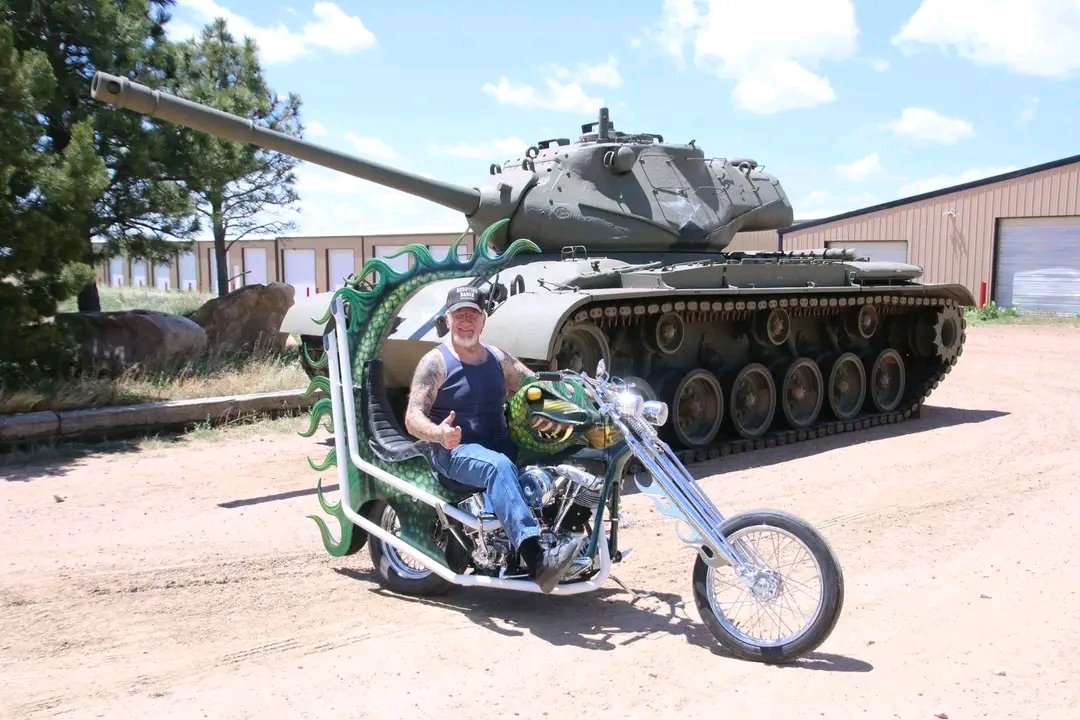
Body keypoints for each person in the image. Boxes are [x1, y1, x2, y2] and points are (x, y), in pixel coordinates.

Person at [404, 285, 583, 593]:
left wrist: (575, 404)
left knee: (555, 455)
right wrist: (439, 433)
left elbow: (534, 389)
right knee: (498, 466)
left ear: (483, 320)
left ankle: (568, 533)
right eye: (459, 315)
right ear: (447, 320)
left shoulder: (497, 358)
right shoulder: (436, 362)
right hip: (454, 450)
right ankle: (537, 559)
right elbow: (412, 418)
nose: (466, 322)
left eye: (472, 315)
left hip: (497, 442)